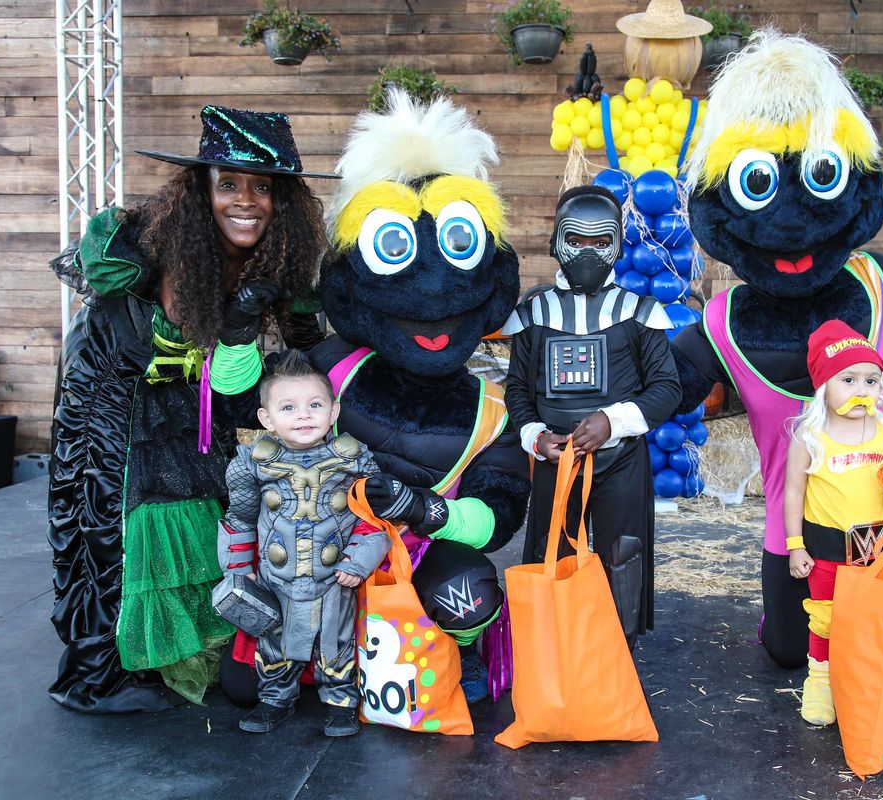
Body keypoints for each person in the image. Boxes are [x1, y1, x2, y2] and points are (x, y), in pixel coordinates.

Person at [671, 29, 883, 736]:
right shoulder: (722, 320)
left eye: (819, 181)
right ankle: (813, 619)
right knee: (789, 656)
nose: (792, 223)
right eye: (760, 186)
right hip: (799, 518)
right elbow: (666, 386)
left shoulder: (882, 284)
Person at [217, 89, 531, 708]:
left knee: (468, 590)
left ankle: (455, 646)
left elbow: (499, 517)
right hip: (315, 547)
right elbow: (243, 406)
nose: (431, 294)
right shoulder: (337, 366)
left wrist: (424, 510)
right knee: (242, 686)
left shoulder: (490, 408)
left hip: (417, 554)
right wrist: (234, 336)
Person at [47, 105, 336, 713]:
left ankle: (178, 654)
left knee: (202, 508)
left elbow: (311, 345)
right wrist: (227, 333)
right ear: (202, 189)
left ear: (282, 201)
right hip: (115, 389)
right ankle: (99, 675)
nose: (245, 201)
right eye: (228, 184)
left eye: (262, 187)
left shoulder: (281, 254)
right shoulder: (155, 242)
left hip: (192, 394)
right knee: (116, 521)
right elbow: (143, 340)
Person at [502, 184, 681, 649]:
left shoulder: (640, 313)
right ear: (556, 240)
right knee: (551, 550)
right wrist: (536, 436)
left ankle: (618, 651)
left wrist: (613, 421)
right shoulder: (534, 314)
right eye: (576, 240)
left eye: (600, 242)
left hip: (620, 460)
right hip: (554, 461)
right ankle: (557, 648)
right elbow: (518, 389)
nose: (586, 252)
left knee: (624, 552)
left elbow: (666, 389)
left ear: (618, 243)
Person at [217, 351, 388, 736]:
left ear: (333, 410)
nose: (304, 415)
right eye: (288, 407)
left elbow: (375, 519)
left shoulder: (356, 459)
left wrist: (357, 562)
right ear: (266, 419)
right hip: (276, 579)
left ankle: (342, 703)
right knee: (273, 645)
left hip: (334, 579)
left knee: (337, 643)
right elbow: (239, 520)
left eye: (315, 405)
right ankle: (275, 700)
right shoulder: (250, 463)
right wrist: (239, 575)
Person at [783, 320, 883, 725]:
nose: (863, 390)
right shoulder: (810, 438)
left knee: (869, 617)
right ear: (825, 387)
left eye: (872, 380)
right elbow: (792, 493)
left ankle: (862, 681)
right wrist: (795, 545)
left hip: (875, 551)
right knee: (825, 617)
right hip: (825, 550)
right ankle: (821, 682)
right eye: (850, 379)